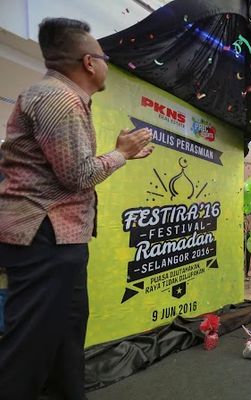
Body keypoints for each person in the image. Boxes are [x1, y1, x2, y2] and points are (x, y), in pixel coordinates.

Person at [0, 18, 154, 400]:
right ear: (89, 62)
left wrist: (119, 154)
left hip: (59, 238)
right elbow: (77, 175)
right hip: (43, 236)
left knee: (66, 337)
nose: (106, 65)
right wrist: (121, 154)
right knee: (29, 348)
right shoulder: (59, 99)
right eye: (104, 58)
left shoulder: (61, 97)